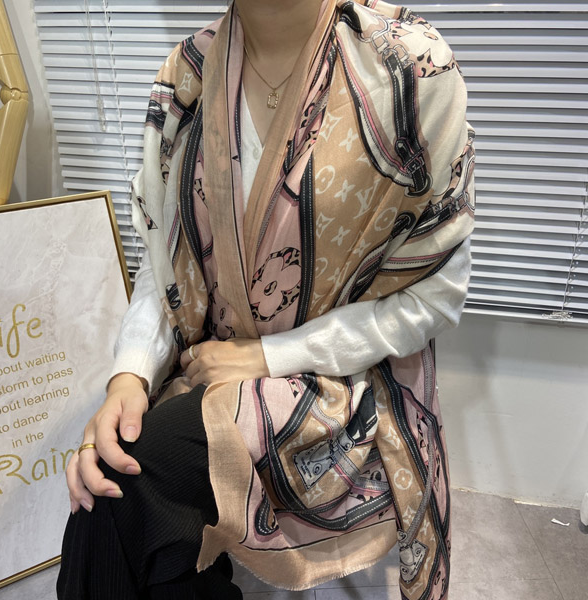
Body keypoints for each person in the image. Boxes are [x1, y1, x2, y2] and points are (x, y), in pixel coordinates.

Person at [57, 0, 475, 598]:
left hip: (346, 380)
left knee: (134, 483)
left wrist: (266, 356)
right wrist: (129, 377)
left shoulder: (409, 68)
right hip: (213, 360)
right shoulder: (188, 74)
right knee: (110, 488)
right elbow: (167, 263)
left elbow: (435, 297)